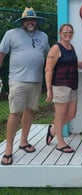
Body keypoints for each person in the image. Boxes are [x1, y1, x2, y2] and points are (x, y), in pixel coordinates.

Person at [0, 7, 50, 165]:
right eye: (27, 20)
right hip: (17, 81)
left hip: (37, 80)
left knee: (30, 111)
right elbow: (1, 55)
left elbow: (50, 56)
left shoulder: (43, 36)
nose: (30, 22)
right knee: (14, 113)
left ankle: (24, 141)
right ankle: (8, 148)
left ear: (37, 21)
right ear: (22, 21)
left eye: (33, 19)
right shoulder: (11, 34)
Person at [45, 24, 81, 153]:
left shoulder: (71, 47)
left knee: (72, 114)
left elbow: (74, 64)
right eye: (65, 32)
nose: (68, 34)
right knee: (60, 116)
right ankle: (60, 143)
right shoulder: (56, 48)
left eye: (70, 32)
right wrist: (49, 89)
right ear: (60, 33)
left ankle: (53, 130)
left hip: (73, 85)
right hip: (60, 86)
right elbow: (48, 69)